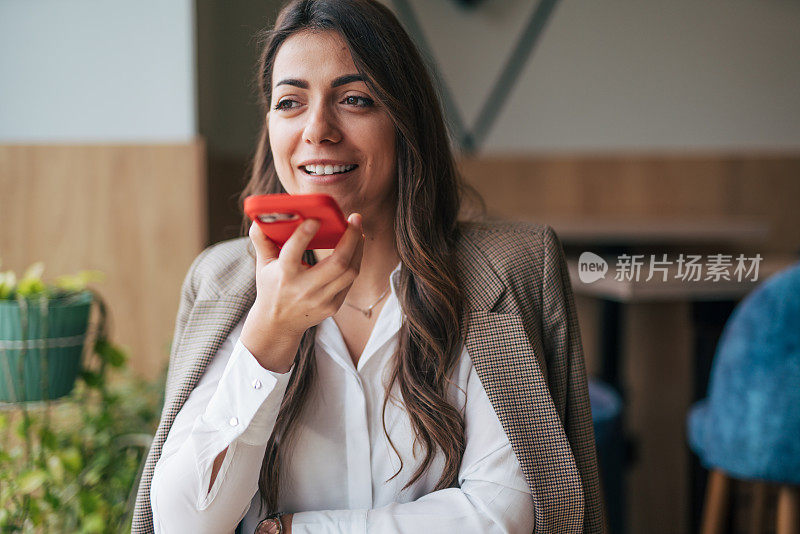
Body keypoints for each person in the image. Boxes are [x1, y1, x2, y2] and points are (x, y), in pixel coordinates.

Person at [132, 0, 604, 532]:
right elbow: (184, 522)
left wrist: (293, 532)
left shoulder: (503, 271)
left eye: (355, 99)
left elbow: (505, 513)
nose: (317, 130)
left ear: (405, 122)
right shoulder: (223, 282)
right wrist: (271, 331)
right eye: (290, 102)